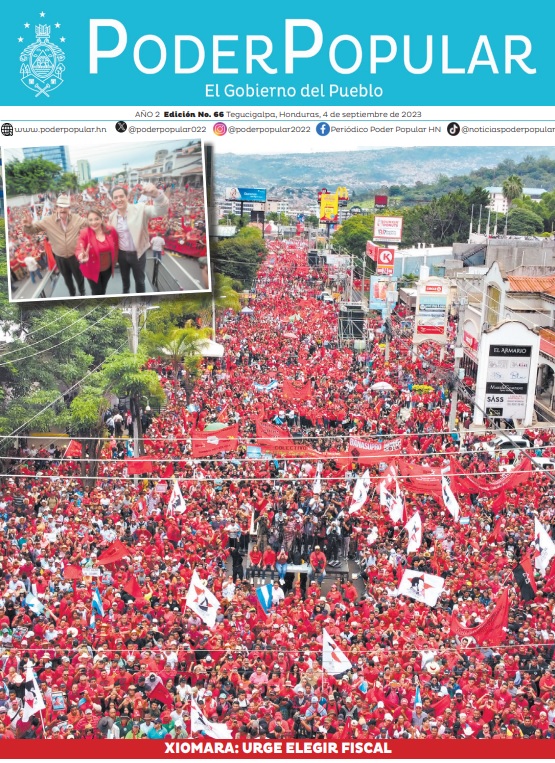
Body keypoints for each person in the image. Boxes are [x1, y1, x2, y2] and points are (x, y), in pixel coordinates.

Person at [108, 183, 169, 294]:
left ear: (127, 197)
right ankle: (125, 299)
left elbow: (160, 210)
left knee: (140, 282)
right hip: (121, 255)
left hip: (138, 254)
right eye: (115, 197)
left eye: (121, 196)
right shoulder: (112, 216)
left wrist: (156, 194)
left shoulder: (140, 209)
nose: (119, 199)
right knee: (125, 281)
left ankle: (141, 302)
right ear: (112, 200)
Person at [22, 194, 88, 297]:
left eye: (65, 206)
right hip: (60, 258)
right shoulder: (48, 221)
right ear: (56, 208)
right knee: (67, 279)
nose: (62, 209)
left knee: (79, 277)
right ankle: (72, 294)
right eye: (60, 206)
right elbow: (32, 230)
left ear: (69, 208)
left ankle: (82, 292)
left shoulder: (77, 219)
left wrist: (100, 221)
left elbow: (91, 223)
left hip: (75, 257)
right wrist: (28, 225)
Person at [75, 209, 119, 297]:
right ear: (87, 220)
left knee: (103, 289)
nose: (93, 222)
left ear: (101, 219)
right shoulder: (84, 233)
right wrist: (81, 255)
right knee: (96, 292)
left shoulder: (111, 230)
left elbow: (116, 245)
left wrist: (116, 260)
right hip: (91, 269)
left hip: (107, 269)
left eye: (96, 219)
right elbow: (79, 247)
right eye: (90, 220)